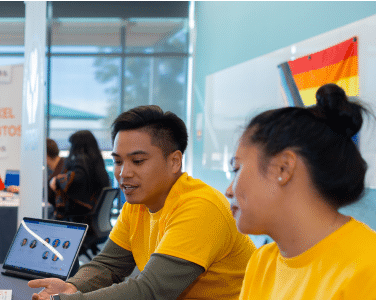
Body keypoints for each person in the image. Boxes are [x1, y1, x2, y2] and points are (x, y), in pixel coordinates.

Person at [30, 105, 256, 300]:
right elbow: (108, 265)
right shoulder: (137, 204)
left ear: (174, 161)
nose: (124, 173)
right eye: (118, 161)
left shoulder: (200, 207)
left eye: (138, 161)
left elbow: (150, 291)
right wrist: (73, 286)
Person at [226, 83, 376, 299]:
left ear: (283, 168)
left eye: (236, 168)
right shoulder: (262, 262)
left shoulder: (367, 267)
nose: (229, 190)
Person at [49, 130, 110, 224]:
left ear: (77, 146)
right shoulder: (97, 164)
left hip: (81, 221)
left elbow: (76, 179)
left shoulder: (80, 161)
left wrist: (57, 181)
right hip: (94, 222)